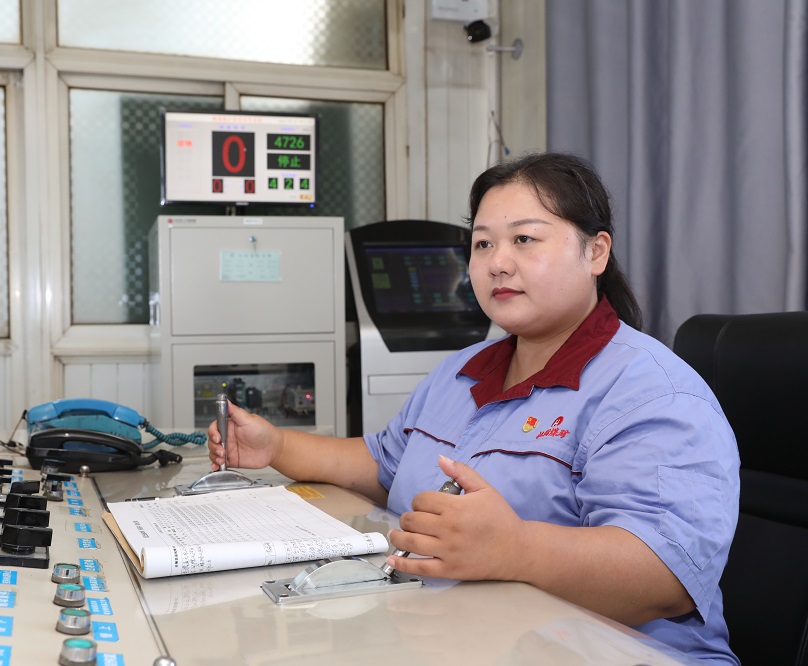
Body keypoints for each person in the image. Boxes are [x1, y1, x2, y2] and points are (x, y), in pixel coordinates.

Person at [207, 152, 740, 664]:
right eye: (483, 244)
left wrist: (517, 550)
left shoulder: (653, 391)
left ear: (596, 253)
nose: (497, 263)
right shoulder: (460, 372)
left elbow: (665, 577)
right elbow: (384, 464)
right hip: (455, 635)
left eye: (524, 239)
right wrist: (277, 445)